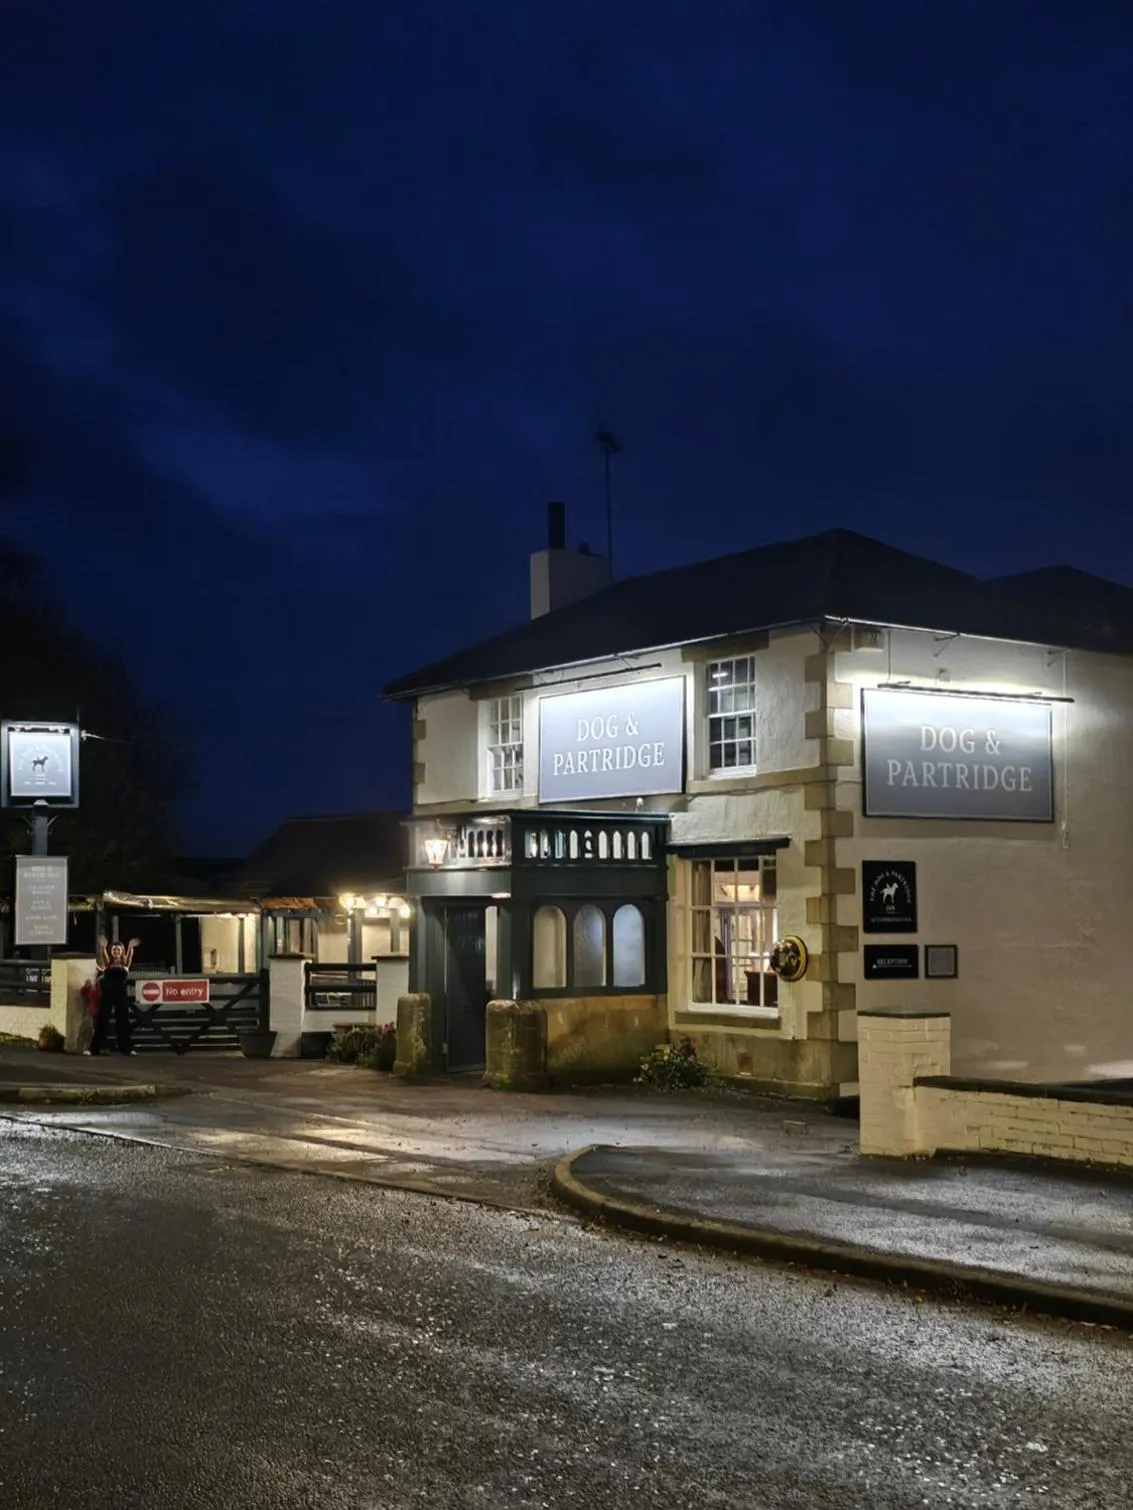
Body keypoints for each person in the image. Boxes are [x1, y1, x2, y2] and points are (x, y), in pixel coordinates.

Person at [87, 935, 142, 1056]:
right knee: (102, 1021)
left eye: (118, 950)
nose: (116, 952)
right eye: (114, 950)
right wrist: (103, 948)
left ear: (122, 951)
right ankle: (94, 1049)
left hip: (121, 995)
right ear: (111, 952)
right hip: (107, 995)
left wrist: (130, 948)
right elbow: (104, 957)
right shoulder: (108, 963)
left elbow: (129, 958)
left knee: (123, 1021)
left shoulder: (125, 964)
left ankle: (126, 1049)